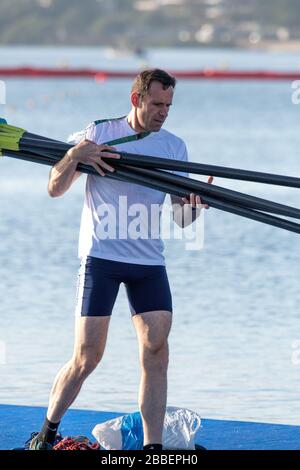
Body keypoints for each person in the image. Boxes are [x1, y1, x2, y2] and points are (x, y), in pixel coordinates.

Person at [29, 68, 213, 450]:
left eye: (169, 106)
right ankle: (46, 433)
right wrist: (74, 156)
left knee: (157, 349)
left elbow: (180, 218)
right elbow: (54, 187)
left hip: (148, 263)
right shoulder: (99, 132)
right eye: (157, 104)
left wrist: (196, 207)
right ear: (137, 99)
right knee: (87, 356)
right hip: (101, 257)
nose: (164, 112)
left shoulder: (174, 147)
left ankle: (152, 448)